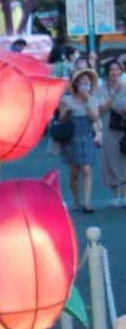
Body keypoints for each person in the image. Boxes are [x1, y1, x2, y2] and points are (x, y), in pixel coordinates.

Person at [55, 68, 103, 213]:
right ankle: (77, 200)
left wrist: (88, 101)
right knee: (74, 171)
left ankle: (87, 202)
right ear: (76, 84)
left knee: (87, 168)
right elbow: (61, 120)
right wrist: (67, 112)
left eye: (88, 83)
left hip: (87, 135)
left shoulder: (93, 99)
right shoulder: (66, 100)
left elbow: (95, 118)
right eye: (82, 83)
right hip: (72, 138)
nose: (85, 86)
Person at [99, 59, 126, 206]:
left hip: (124, 128)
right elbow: (101, 109)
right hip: (108, 129)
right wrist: (114, 95)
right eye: (111, 70)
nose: (115, 73)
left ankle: (125, 195)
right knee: (111, 160)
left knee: (124, 160)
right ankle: (116, 196)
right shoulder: (101, 88)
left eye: (117, 70)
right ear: (107, 72)